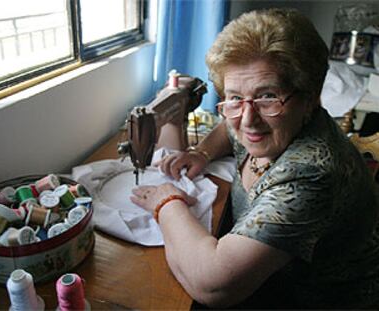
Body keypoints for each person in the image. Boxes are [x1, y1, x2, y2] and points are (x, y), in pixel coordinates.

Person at [130, 8, 379, 309]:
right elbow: (229, 126)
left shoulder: (311, 173)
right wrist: (201, 152)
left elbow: (212, 286)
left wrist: (167, 202)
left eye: (268, 95)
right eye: (234, 97)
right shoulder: (266, 122)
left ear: (310, 98)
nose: (247, 120)